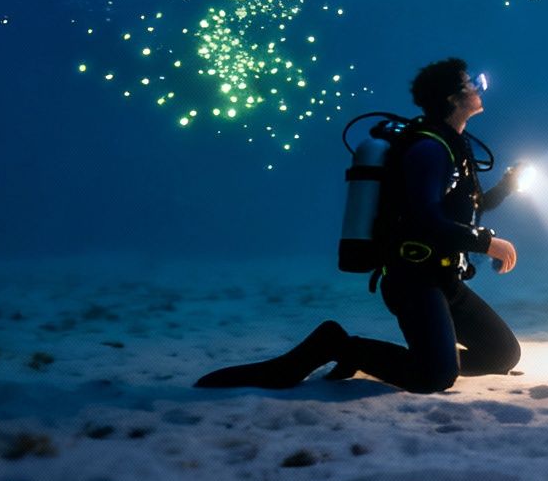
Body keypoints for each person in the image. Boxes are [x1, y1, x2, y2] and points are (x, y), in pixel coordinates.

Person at [195, 57, 522, 393]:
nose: (479, 87)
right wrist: (487, 243)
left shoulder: (454, 146)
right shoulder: (429, 150)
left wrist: (507, 186)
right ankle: (339, 346)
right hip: (414, 280)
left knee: (502, 355)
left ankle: (428, 358)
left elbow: (467, 209)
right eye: (470, 83)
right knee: (434, 378)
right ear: (452, 98)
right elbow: (427, 221)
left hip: (445, 278)